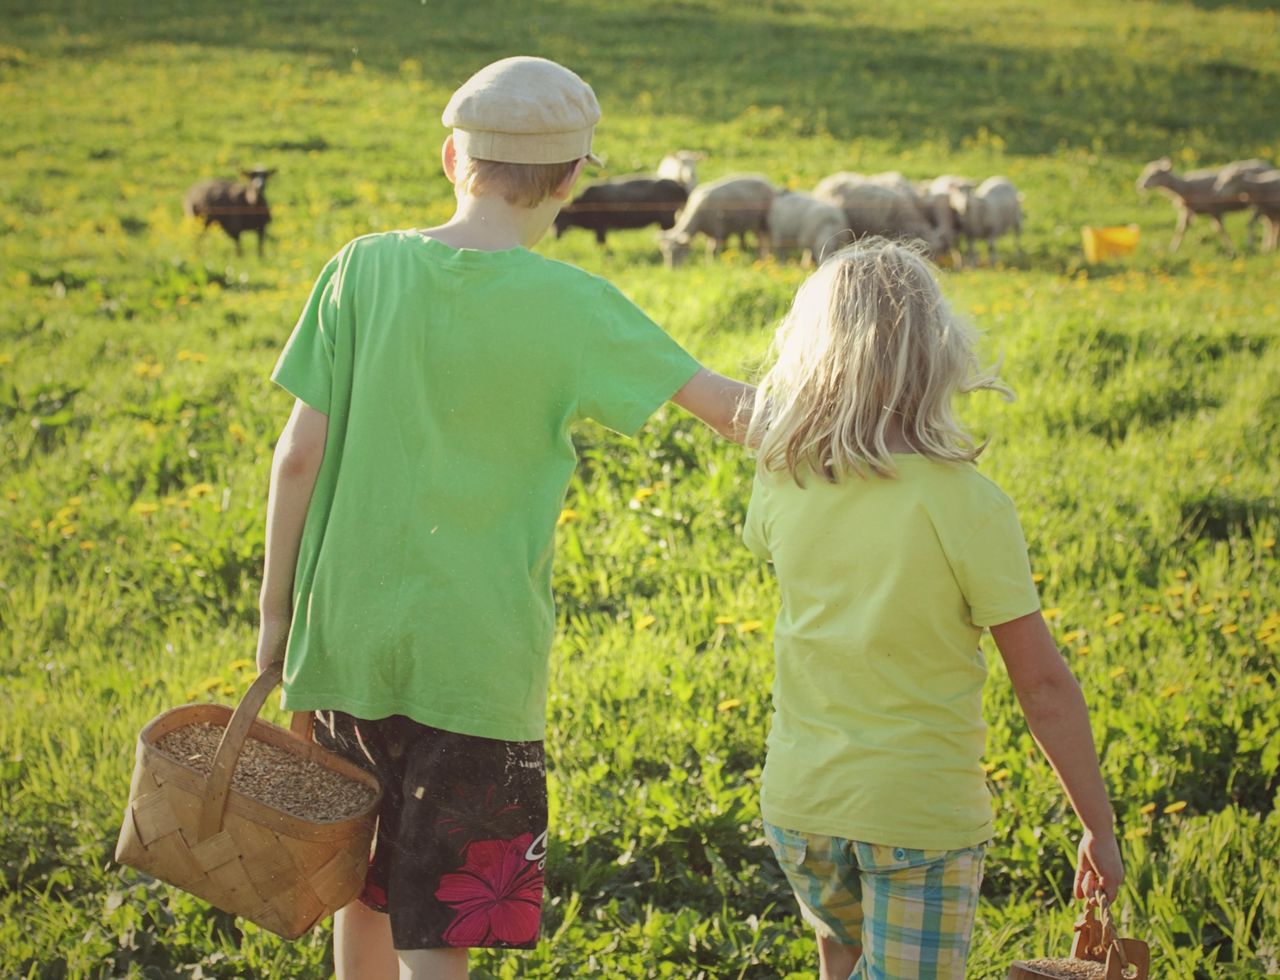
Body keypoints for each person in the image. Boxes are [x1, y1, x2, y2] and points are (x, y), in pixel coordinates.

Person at [254, 56, 753, 980]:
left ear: (452, 157)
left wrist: (277, 622)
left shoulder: (360, 267)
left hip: (345, 646)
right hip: (477, 663)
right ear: (571, 181)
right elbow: (734, 411)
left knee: (356, 888)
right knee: (438, 928)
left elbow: (296, 456)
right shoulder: (578, 304)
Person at [741, 239, 1124, 980]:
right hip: (915, 817)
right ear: (939, 356)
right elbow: (1042, 686)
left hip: (800, 808)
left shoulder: (782, 481)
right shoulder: (969, 504)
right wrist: (1096, 830)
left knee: (840, 962)